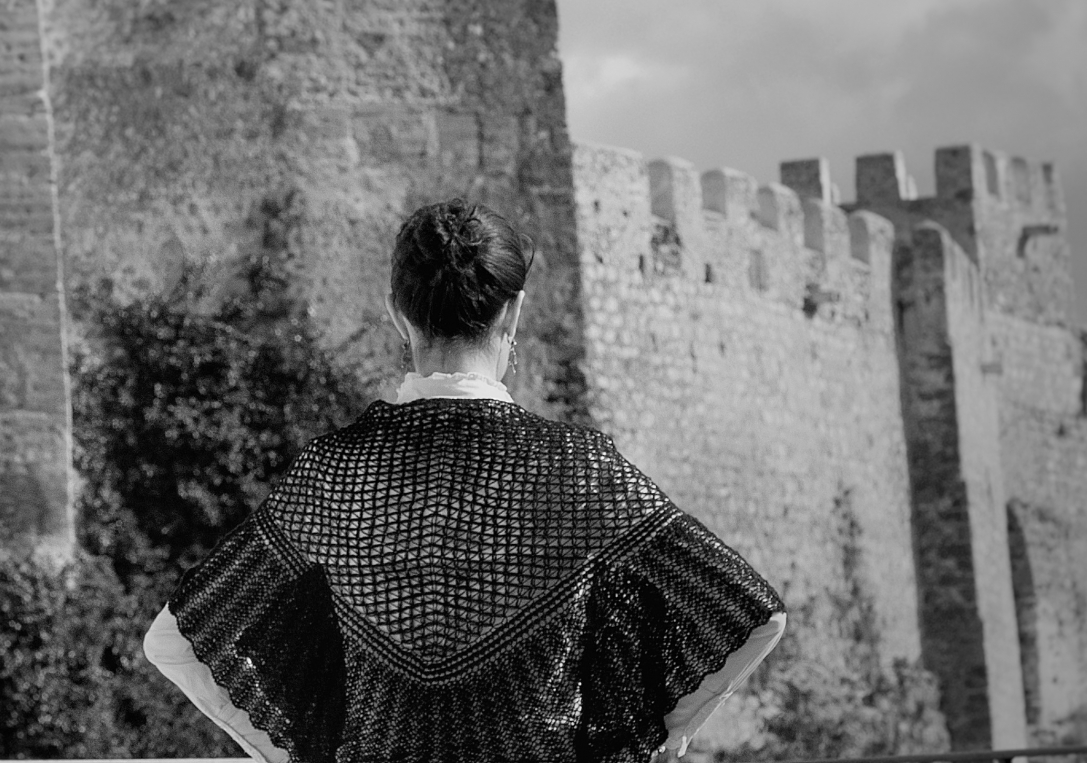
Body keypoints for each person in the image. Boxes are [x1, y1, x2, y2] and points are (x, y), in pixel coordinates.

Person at [143, 197, 786, 763]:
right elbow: (753, 614)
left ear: (398, 314)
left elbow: (175, 643)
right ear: (513, 313)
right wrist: (663, 730)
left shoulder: (334, 472)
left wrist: (298, 747)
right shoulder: (580, 470)